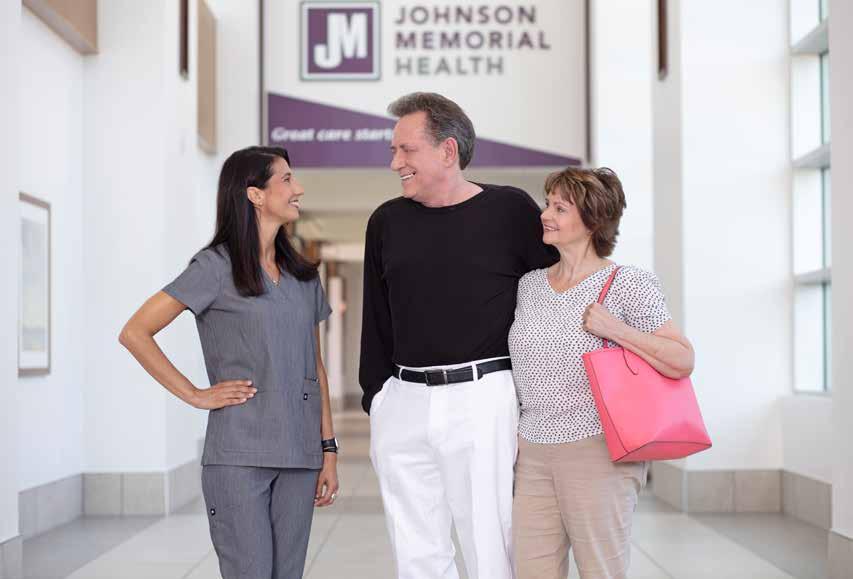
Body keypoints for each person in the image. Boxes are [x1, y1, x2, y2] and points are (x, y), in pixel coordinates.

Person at [359, 92, 558, 579]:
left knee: (491, 545)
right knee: (415, 551)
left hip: (482, 397)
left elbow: (552, 301)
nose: (395, 163)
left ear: (448, 151)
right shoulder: (386, 221)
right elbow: (376, 316)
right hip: (403, 400)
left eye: (406, 150)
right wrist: (377, 399)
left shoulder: (510, 210)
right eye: (393, 151)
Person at [119, 146, 339, 579]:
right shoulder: (214, 268)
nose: (298, 188)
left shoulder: (303, 277)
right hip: (239, 456)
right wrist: (195, 394)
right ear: (255, 194)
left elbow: (315, 367)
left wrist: (328, 449)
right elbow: (135, 332)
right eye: (287, 179)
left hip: (300, 455)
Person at [508, 166, 695, 579]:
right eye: (547, 204)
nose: (545, 214)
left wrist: (617, 330)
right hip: (532, 452)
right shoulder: (529, 286)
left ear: (593, 220)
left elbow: (682, 359)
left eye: (560, 208)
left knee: (600, 571)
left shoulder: (629, 284)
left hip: (598, 451)